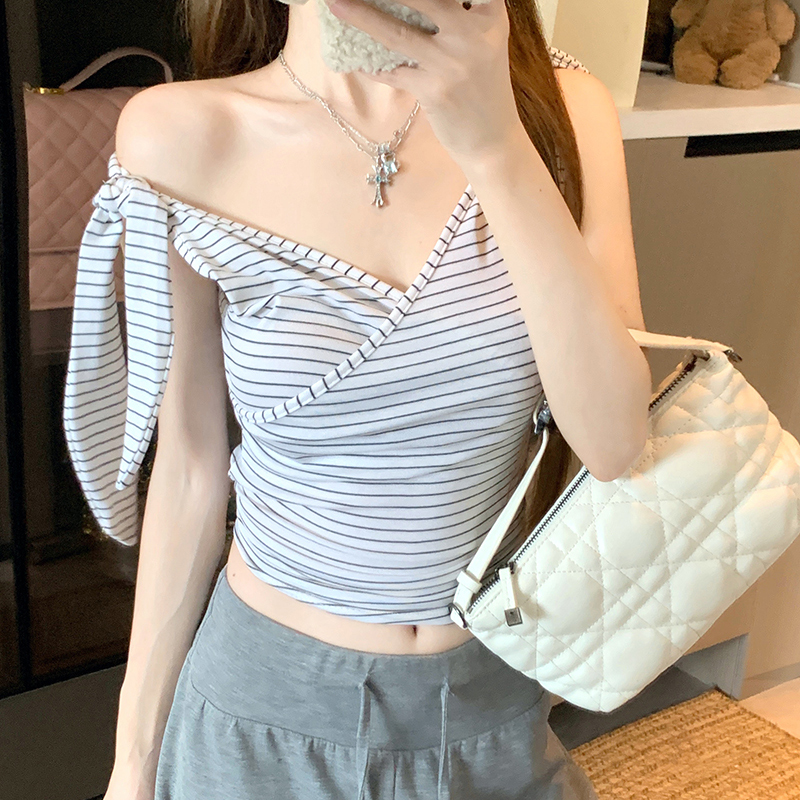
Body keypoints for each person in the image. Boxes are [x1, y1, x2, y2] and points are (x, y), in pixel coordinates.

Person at [63, 0, 652, 797]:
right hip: (261, 713)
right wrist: (133, 766)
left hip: (489, 701)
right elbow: (192, 470)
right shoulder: (182, 136)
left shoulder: (562, 113)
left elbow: (613, 443)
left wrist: (494, 145)